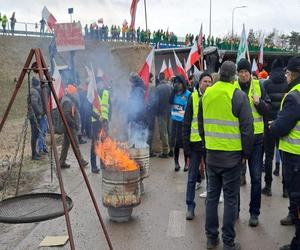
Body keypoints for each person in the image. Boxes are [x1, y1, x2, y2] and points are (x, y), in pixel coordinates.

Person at [199, 61, 254, 250]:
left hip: (212, 155)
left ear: (219, 74)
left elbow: (201, 123)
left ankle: (211, 238)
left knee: (212, 197)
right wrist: (246, 153)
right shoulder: (237, 95)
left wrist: (207, 144)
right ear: (234, 77)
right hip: (232, 157)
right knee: (231, 199)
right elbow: (247, 128)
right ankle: (228, 242)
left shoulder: (207, 94)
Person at [235, 58, 271, 227]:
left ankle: (254, 213)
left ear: (250, 73)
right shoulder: (232, 87)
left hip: (256, 140)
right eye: (241, 72)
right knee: (234, 178)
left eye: (246, 72)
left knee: (256, 178)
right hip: (237, 139)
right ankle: (234, 210)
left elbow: (268, 110)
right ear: (237, 73)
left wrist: (259, 103)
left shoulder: (259, 86)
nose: (243, 75)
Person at [270, 56, 300, 250]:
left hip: (295, 156)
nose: (286, 76)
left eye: (288, 73)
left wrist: (274, 125)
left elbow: (282, 126)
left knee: (297, 198)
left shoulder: (295, 96)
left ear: (293, 74)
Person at [183, 72, 212, 220]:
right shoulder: (192, 97)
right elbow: (186, 123)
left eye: (209, 82)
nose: (207, 84)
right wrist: (186, 146)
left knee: (211, 176)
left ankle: (210, 207)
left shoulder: (214, 98)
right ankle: (190, 206)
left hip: (209, 144)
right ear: (199, 83)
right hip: (195, 145)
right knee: (192, 177)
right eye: (205, 81)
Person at [262, 59, 288, 197]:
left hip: (269, 124)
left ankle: (268, 186)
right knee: (283, 156)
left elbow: (264, 104)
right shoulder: (287, 84)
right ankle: (285, 189)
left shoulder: (266, 83)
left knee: (269, 155)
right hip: (283, 124)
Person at [60, 85, 88, 169]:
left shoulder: (68, 99)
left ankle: (61, 161)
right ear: (71, 93)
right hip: (69, 127)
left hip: (68, 126)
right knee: (76, 145)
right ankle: (81, 161)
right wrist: (74, 124)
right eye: (74, 93)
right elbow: (66, 115)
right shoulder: (67, 101)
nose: (76, 94)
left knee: (66, 144)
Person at [169, 75, 191, 171]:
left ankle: (187, 163)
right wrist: (173, 92)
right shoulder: (174, 94)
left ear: (183, 84)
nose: (177, 84)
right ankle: (176, 163)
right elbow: (169, 103)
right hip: (174, 122)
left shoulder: (188, 94)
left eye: (179, 83)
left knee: (185, 144)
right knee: (176, 144)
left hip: (184, 122)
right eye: (176, 83)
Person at [90, 77, 112, 173]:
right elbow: (88, 110)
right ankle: (94, 166)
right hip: (95, 122)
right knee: (95, 144)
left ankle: (103, 163)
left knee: (104, 143)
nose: (100, 85)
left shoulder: (107, 93)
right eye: (98, 83)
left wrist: (108, 118)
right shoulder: (92, 94)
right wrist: (97, 116)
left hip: (105, 122)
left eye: (101, 83)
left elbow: (110, 107)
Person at [156, 72, 172, 158]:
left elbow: (156, 101)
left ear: (159, 78)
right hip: (170, 111)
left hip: (161, 112)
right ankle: (172, 150)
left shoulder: (158, 88)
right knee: (170, 131)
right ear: (165, 78)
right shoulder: (170, 87)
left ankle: (165, 152)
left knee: (164, 132)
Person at [28, 77, 44, 160]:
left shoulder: (33, 91)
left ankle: (35, 152)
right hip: (34, 116)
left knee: (36, 134)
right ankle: (33, 154)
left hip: (34, 116)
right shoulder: (34, 92)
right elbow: (34, 103)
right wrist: (39, 112)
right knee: (34, 135)